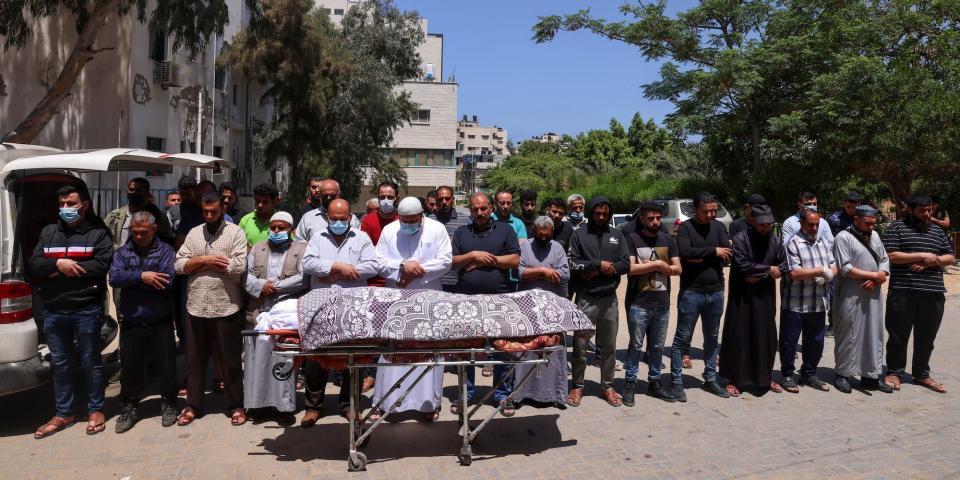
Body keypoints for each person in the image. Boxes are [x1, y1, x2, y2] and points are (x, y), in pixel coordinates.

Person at [28, 186, 113, 438]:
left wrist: (62, 269)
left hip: (86, 309)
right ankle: (63, 412)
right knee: (61, 364)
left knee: (91, 362)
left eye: (71, 203)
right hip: (54, 309)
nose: (65, 208)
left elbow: (102, 264)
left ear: (84, 205)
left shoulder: (97, 233)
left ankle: (96, 410)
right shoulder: (49, 232)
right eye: (62, 203)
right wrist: (58, 264)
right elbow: (34, 263)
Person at [299, 199, 380, 424]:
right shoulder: (317, 238)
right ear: (327, 217)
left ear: (350, 216)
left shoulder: (361, 237)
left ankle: (350, 405)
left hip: (353, 306)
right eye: (333, 219)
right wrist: (337, 266)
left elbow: (373, 266)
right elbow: (307, 264)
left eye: (342, 219)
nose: (337, 222)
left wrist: (339, 273)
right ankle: (313, 407)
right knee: (317, 358)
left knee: (353, 358)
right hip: (321, 305)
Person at [174, 191, 249, 426]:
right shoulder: (194, 233)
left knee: (230, 360)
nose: (209, 215)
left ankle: (236, 404)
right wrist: (204, 261)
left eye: (213, 211)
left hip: (226, 306)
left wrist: (196, 264)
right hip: (196, 306)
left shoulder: (235, 232)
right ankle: (193, 405)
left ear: (222, 210)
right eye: (205, 211)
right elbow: (178, 264)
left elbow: (238, 265)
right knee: (195, 361)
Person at [373, 197, 452, 420]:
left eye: (412, 219)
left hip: (428, 297)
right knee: (394, 349)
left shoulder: (437, 229)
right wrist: (401, 268)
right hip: (396, 297)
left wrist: (417, 272)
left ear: (421, 216)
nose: (407, 223)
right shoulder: (390, 231)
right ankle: (389, 402)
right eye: (404, 220)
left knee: (427, 351)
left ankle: (428, 405)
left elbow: (446, 260)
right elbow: (378, 261)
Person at [450, 192, 522, 415]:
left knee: (502, 349)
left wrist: (489, 259)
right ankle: (465, 394)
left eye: (483, 209)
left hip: (499, 301)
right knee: (468, 350)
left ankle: (502, 396)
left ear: (491, 208)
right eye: (474, 209)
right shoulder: (462, 232)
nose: (479, 213)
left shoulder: (505, 230)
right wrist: (473, 255)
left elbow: (515, 259)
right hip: (467, 302)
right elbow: (451, 263)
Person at [109, 211, 179, 433]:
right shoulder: (123, 252)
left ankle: (169, 403)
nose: (138, 236)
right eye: (135, 232)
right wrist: (143, 277)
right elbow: (114, 277)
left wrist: (133, 279)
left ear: (154, 229)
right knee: (130, 368)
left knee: (167, 366)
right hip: (132, 320)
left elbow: (167, 281)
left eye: (143, 232)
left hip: (160, 319)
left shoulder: (166, 251)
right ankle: (129, 407)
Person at [883, 194, 955, 393]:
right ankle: (895, 372)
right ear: (910, 210)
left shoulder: (937, 231)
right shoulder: (897, 228)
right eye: (922, 210)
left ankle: (922, 374)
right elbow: (891, 255)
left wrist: (934, 261)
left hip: (933, 293)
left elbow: (950, 257)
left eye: (930, 210)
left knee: (927, 337)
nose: (927, 214)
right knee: (898, 336)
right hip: (903, 291)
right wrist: (922, 255)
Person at [243, 211, 308, 424]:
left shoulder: (301, 248)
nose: (277, 231)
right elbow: (246, 274)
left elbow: (303, 278)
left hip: (286, 315)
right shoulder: (258, 248)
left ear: (291, 229)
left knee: (284, 361)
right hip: (258, 312)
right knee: (256, 361)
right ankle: (258, 406)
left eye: (282, 228)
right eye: (273, 227)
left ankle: (284, 408)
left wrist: (275, 287)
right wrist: (262, 286)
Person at [567, 196, 630, 408]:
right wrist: (596, 265)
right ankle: (577, 385)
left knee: (609, 347)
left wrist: (608, 269)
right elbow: (571, 262)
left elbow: (626, 263)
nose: (601, 217)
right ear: (591, 213)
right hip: (586, 299)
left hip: (609, 299)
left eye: (605, 214)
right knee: (580, 345)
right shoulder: (579, 234)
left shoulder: (617, 234)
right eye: (597, 213)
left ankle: (607, 386)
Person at [670, 192, 732, 402]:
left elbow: (728, 253)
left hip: (715, 292)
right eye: (706, 211)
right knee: (682, 338)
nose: (711, 214)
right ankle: (677, 382)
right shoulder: (686, 228)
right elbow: (686, 253)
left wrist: (703, 255)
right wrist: (713, 252)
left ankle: (710, 378)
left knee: (712, 339)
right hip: (691, 292)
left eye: (714, 210)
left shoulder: (719, 227)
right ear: (695, 210)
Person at [719, 205, 785, 396]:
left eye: (769, 225)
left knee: (766, 336)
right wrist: (768, 271)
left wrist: (762, 274)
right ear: (753, 222)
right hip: (742, 298)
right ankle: (734, 380)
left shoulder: (775, 239)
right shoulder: (741, 239)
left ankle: (765, 378)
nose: (765, 228)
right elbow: (742, 265)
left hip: (765, 297)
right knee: (740, 336)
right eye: (762, 224)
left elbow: (784, 264)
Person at [622, 202, 681, 405]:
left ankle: (654, 383)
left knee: (657, 347)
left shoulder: (667, 240)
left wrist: (652, 266)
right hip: (639, 302)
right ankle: (629, 383)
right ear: (641, 219)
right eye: (650, 218)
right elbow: (630, 268)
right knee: (636, 345)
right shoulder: (632, 239)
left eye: (658, 218)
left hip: (662, 302)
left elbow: (678, 269)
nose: (655, 222)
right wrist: (657, 264)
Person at [832, 205, 892, 393]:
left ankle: (870, 376)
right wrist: (874, 276)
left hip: (872, 294)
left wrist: (879, 276)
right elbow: (845, 268)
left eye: (874, 223)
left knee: (873, 334)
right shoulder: (843, 237)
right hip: (851, 294)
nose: (871, 227)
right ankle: (843, 374)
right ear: (856, 219)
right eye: (867, 223)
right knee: (849, 333)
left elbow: (884, 259)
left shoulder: (875, 236)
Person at [513, 215, 570, 407]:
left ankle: (555, 394)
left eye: (548, 235)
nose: (544, 239)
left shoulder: (557, 247)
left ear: (552, 233)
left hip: (552, 308)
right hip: (527, 308)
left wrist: (550, 273)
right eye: (540, 235)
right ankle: (521, 394)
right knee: (525, 350)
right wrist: (543, 271)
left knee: (553, 351)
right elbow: (518, 272)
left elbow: (566, 273)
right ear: (534, 232)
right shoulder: (524, 246)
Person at [779, 209, 837, 393]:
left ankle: (809, 373)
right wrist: (820, 271)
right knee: (789, 342)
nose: (814, 227)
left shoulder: (823, 242)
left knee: (815, 342)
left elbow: (834, 265)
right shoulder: (792, 243)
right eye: (810, 224)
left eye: (816, 224)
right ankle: (787, 375)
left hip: (818, 303)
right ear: (802, 224)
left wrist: (829, 275)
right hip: (795, 303)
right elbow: (794, 272)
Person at [104, 177, 174, 248]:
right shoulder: (115, 216)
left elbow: (167, 242)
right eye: (131, 190)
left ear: (147, 193)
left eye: (139, 190)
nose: (134, 193)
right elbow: (104, 240)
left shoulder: (158, 217)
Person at [426, 185, 472, 291]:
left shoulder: (466, 221)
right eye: (441, 199)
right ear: (436, 200)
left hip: (459, 280)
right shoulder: (428, 221)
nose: (444, 202)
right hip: (434, 280)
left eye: (447, 198)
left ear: (453, 199)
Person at [360, 181, 399, 287]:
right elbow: (366, 251)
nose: (386, 200)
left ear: (397, 198)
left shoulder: (403, 219)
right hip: (373, 281)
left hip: (398, 278)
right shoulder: (368, 220)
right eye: (382, 197)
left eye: (390, 197)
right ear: (378, 198)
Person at [295, 179, 359, 242]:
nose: (329, 198)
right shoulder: (308, 218)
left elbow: (358, 241)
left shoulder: (351, 218)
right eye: (325, 196)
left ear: (338, 193)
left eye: (332, 195)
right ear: (319, 195)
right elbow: (300, 243)